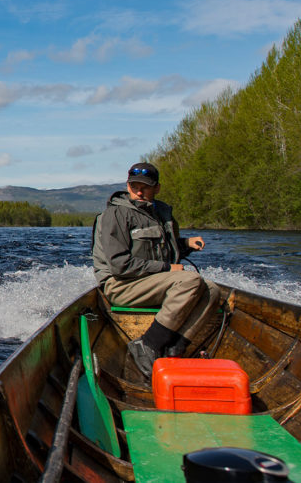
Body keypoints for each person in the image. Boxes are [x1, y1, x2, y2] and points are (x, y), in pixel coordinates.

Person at [92, 162, 220, 379]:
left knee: (213, 291)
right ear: (128, 186)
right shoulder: (116, 214)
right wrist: (167, 268)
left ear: (157, 188)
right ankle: (147, 344)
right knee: (189, 281)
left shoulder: (160, 212)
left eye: (145, 187)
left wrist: (185, 244)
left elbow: (159, 251)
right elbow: (120, 265)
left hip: (148, 281)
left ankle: (175, 349)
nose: (139, 192)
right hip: (121, 284)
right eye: (134, 186)